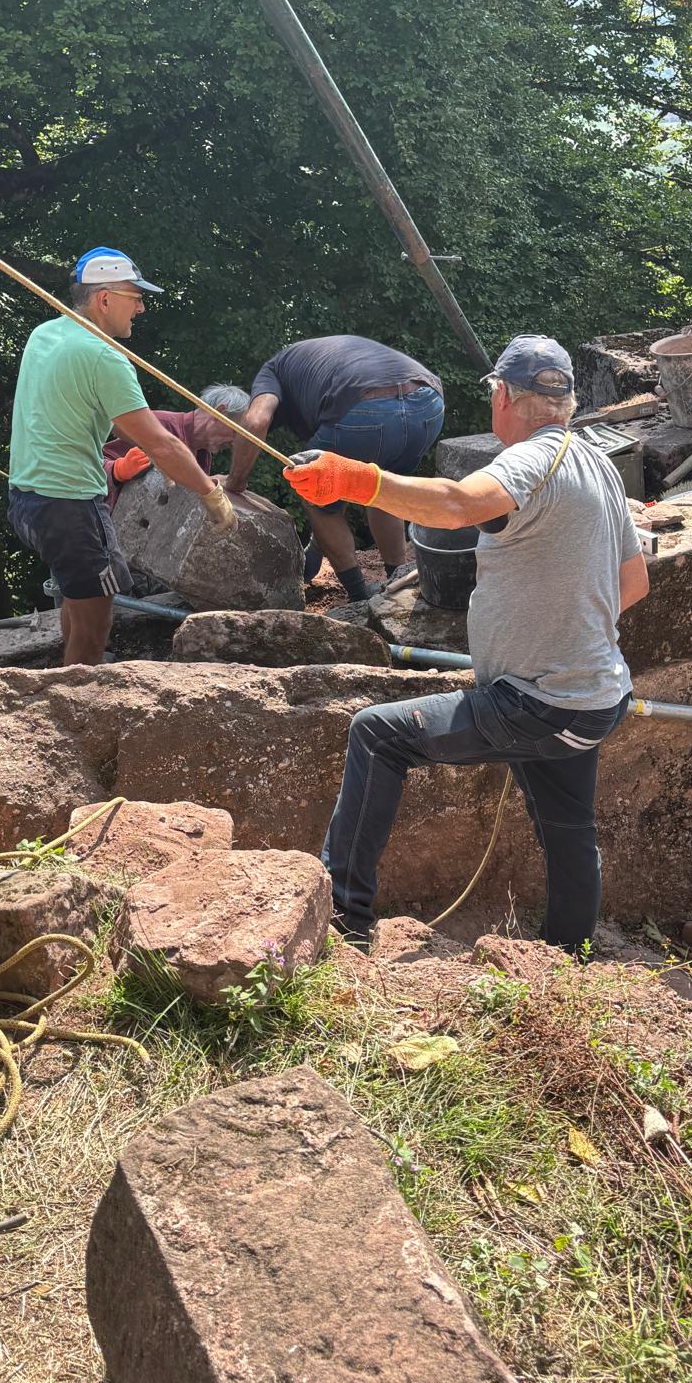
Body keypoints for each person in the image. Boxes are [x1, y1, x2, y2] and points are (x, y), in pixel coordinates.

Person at [283, 335, 650, 955]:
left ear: (502, 395)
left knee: (376, 734)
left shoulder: (531, 458)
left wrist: (354, 479)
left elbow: (457, 505)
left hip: (539, 702)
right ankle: (569, 958)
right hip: (595, 695)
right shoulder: (597, 462)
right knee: (567, 828)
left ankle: (345, 920)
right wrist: (563, 630)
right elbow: (633, 584)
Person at [8, 247, 236, 666]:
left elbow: (114, 421)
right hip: (70, 504)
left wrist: (171, 463)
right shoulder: (103, 356)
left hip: (28, 498)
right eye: (136, 297)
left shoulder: (46, 334)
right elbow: (161, 443)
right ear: (104, 299)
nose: (142, 308)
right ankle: (78, 693)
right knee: (96, 626)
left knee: (77, 597)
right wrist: (210, 493)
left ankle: (69, 679)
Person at [224, 334, 445, 600]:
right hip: (428, 404)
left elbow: (256, 421)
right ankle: (398, 585)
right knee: (383, 489)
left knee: (314, 490)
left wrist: (235, 483)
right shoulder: (311, 363)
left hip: (364, 409)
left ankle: (359, 597)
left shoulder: (272, 370)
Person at [101, 384, 251, 510]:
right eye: (235, 432)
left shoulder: (202, 456)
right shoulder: (159, 424)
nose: (234, 442)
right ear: (219, 413)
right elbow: (94, 462)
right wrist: (117, 470)